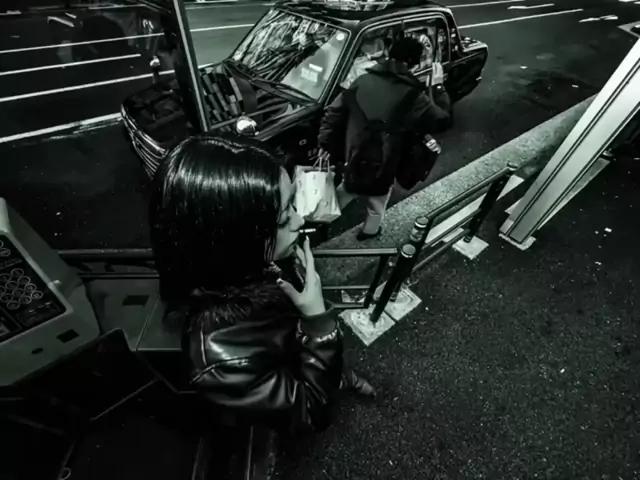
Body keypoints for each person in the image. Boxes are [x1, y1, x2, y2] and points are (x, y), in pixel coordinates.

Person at [148, 134, 373, 477]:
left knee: (333, 374)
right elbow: (309, 413)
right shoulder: (221, 360)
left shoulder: (248, 266)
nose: (299, 221)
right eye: (283, 218)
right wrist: (318, 322)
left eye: (293, 202)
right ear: (233, 239)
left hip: (304, 359)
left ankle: (344, 378)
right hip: (301, 371)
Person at [317, 35, 452, 241]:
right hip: (385, 161)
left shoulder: (361, 81)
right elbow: (442, 121)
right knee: (377, 202)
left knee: (346, 190)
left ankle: (321, 224)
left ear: (389, 54)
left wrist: (326, 144)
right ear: (414, 64)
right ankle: (368, 233)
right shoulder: (415, 96)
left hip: (353, 155)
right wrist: (438, 87)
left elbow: (334, 114)